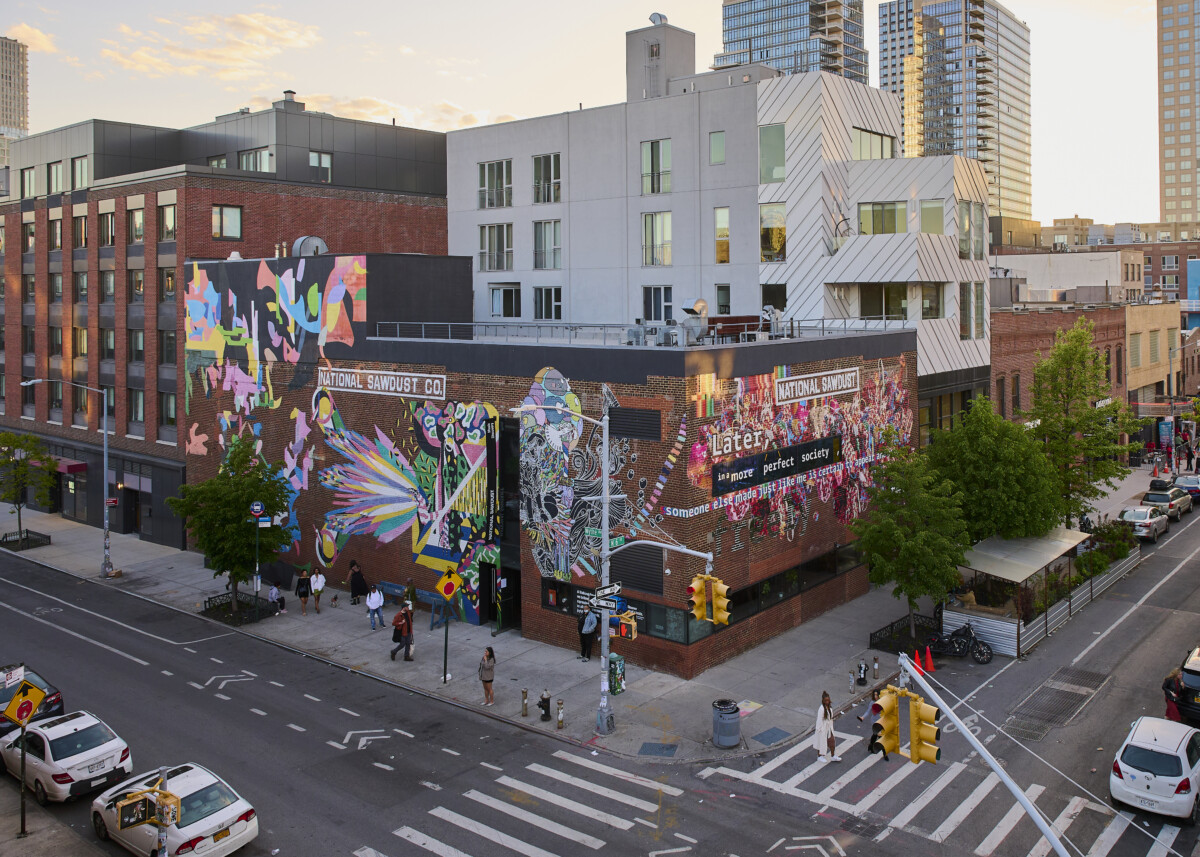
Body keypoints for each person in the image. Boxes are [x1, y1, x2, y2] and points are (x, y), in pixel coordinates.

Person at [857, 689, 889, 761]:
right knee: (881, 738)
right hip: (875, 722)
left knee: (875, 735)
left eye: (877, 695)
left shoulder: (882, 702)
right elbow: (868, 712)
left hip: (882, 722)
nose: (875, 696)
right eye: (874, 695)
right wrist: (862, 717)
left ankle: (871, 746)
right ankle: (885, 754)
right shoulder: (872, 703)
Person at [815, 691, 840, 762]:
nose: (827, 702)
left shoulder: (829, 708)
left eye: (828, 700)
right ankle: (819, 756)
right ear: (823, 700)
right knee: (821, 742)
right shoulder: (821, 709)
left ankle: (833, 755)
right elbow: (819, 720)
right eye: (826, 700)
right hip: (823, 728)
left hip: (829, 727)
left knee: (832, 741)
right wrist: (819, 729)